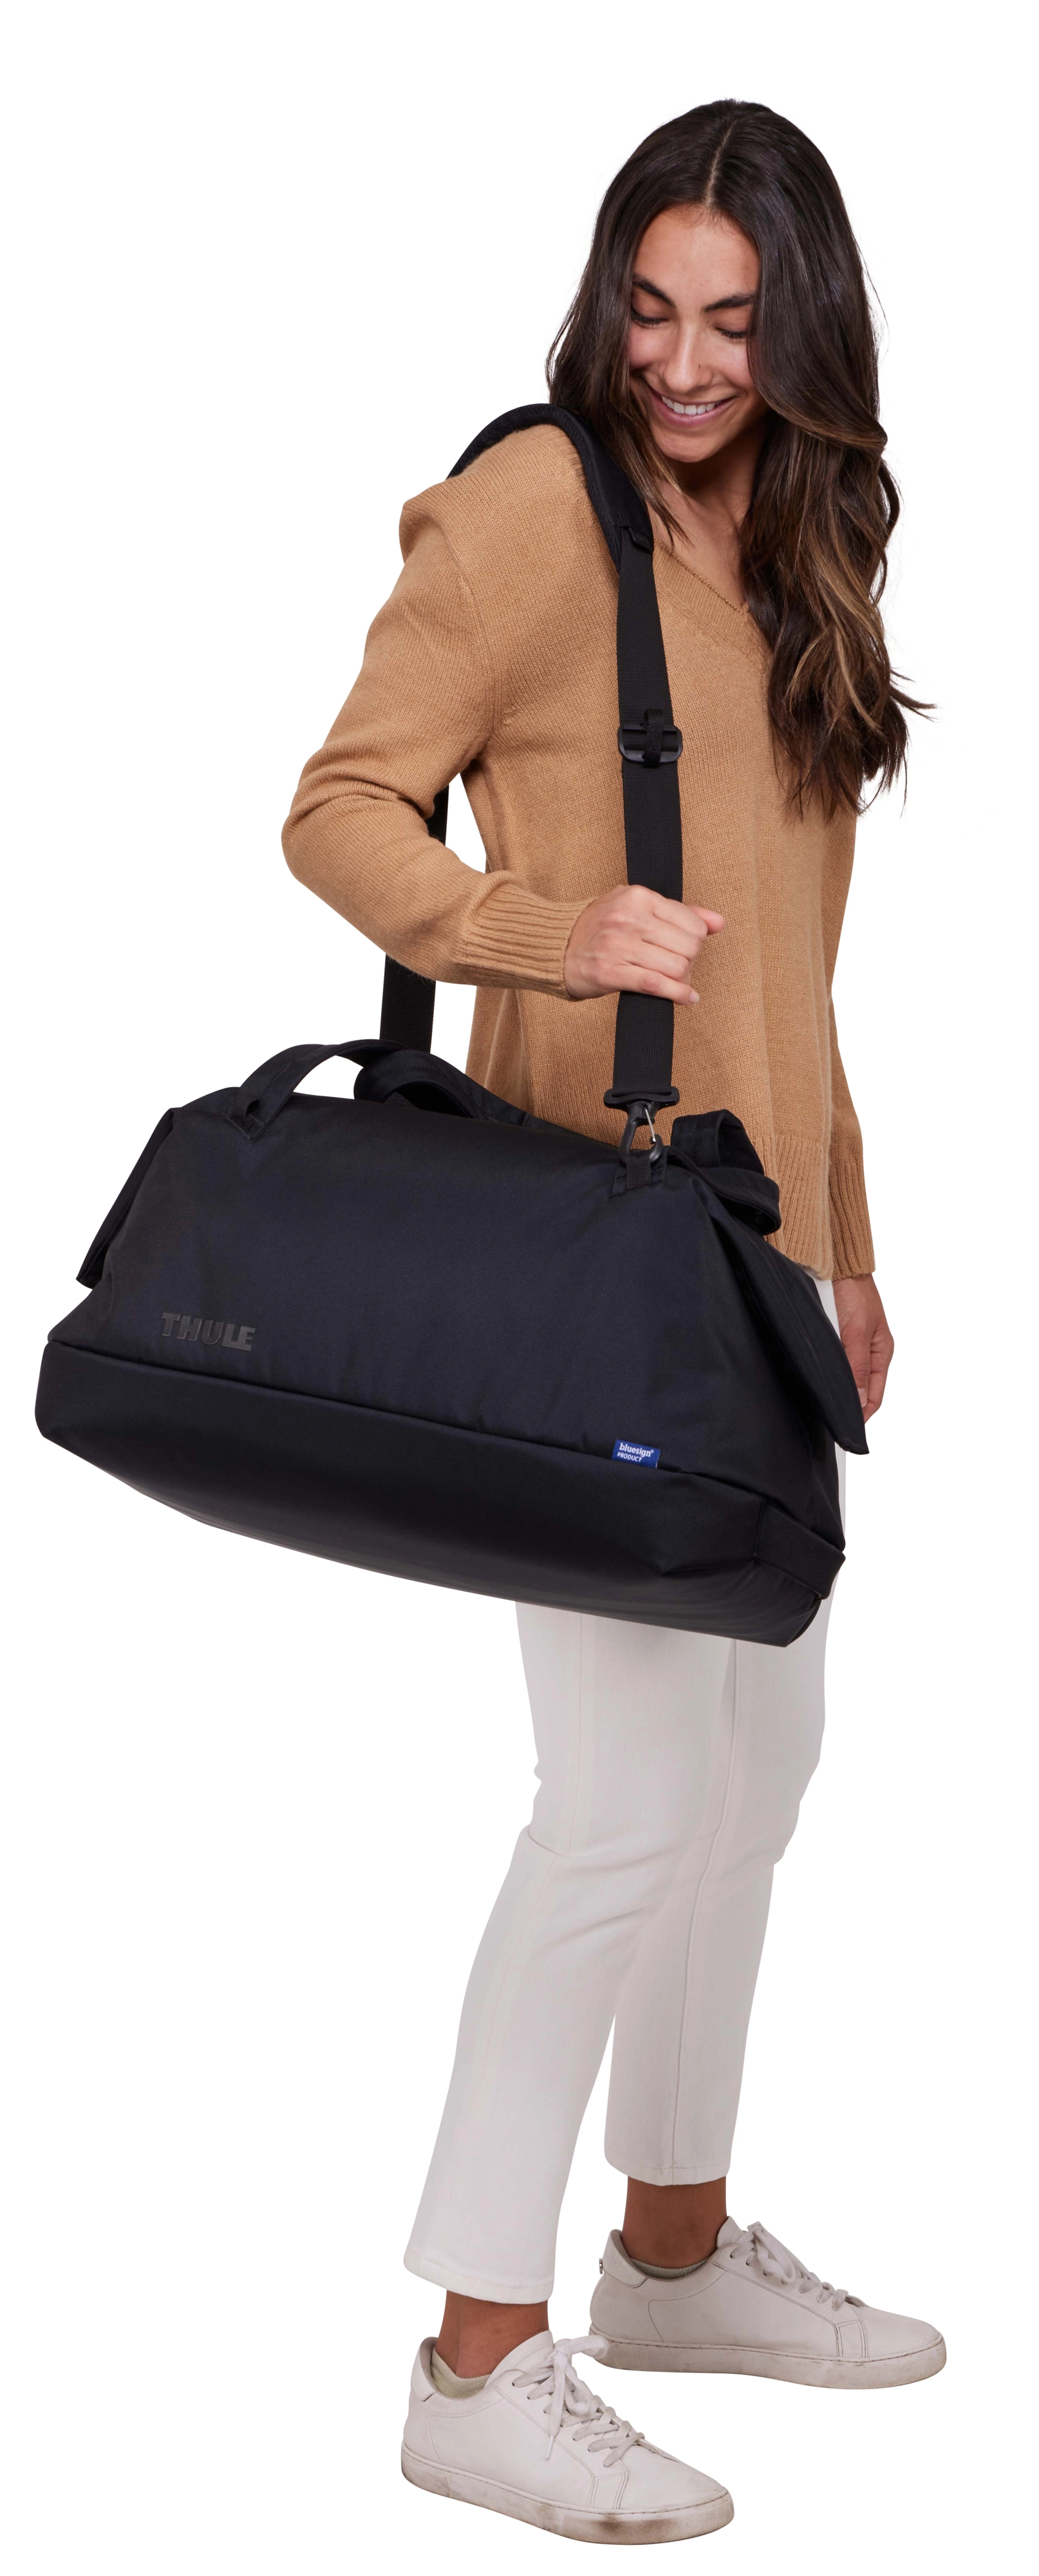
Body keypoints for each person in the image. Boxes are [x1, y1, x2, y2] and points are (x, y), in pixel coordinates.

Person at [283, 98, 944, 2548]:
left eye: (735, 323)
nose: (681, 363)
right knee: (627, 1799)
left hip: (755, 1268)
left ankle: (670, 2250)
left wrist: (846, 1247)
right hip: (590, 1261)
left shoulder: (797, 548)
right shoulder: (528, 520)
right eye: (649, 312)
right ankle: (474, 2359)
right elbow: (340, 809)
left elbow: (797, 967)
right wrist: (534, 931)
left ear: (807, 333)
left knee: (758, 1772)